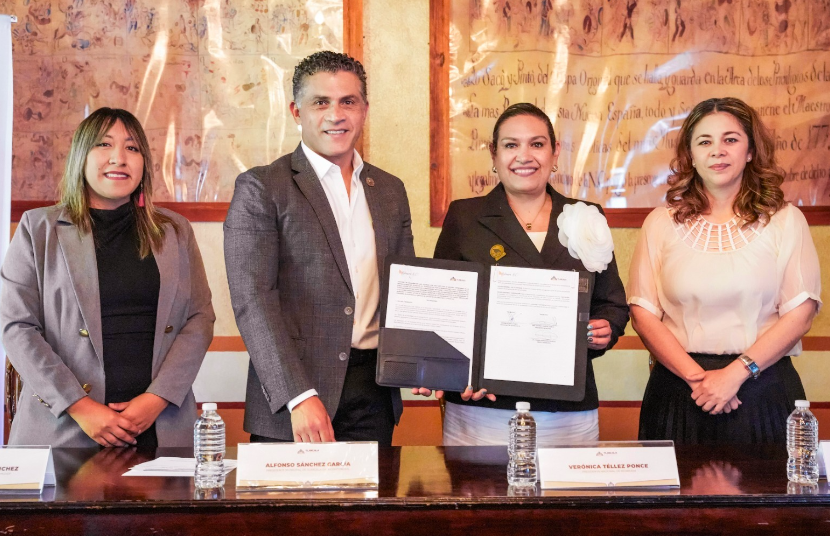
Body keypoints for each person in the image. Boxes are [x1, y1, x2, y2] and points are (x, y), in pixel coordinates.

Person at [224, 51, 415, 446]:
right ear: (297, 111)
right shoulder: (263, 187)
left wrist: (424, 361)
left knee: (371, 492)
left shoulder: (390, 191)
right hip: (295, 399)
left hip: (373, 393)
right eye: (321, 102)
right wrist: (298, 395)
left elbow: (407, 287)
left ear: (364, 110)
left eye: (348, 101)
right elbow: (252, 300)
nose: (336, 115)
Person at [1, 107, 215, 448]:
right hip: (63, 429)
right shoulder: (38, 228)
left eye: (132, 148)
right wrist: (81, 407)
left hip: (160, 427)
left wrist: (156, 398)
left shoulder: (174, 230)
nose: (119, 158)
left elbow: (199, 318)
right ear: (80, 157)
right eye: (104, 144)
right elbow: (16, 326)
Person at [425, 103, 629, 446]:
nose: (524, 156)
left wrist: (605, 327)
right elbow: (444, 309)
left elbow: (612, 303)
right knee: (478, 483)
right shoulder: (464, 217)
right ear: (494, 153)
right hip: (483, 406)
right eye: (511, 145)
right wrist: (453, 370)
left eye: (537, 144)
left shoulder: (586, 217)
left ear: (554, 152)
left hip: (567, 408)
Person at [629, 97, 821, 444]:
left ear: (750, 151)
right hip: (679, 389)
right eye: (705, 141)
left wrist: (735, 374)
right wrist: (698, 379)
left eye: (730, 139)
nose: (718, 150)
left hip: (762, 387)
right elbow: (643, 314)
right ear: (690, 155)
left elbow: (801, 314)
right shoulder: (660, 223)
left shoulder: (786, 220)